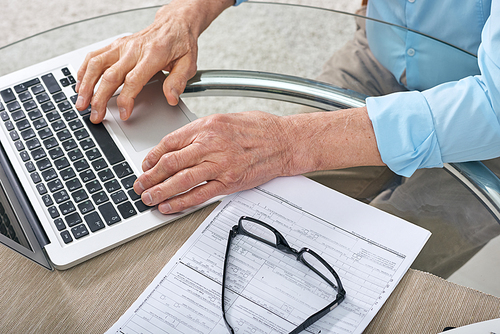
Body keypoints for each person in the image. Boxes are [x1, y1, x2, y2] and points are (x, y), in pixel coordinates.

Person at [75, 0, 500, 277]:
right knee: (256, 217)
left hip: (489, 112)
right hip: (387, 50)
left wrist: (290, 142)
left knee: (367, 273)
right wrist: (184, 14)